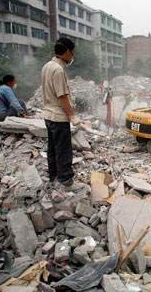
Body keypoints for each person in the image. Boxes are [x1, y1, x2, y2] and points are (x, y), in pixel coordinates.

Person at [41, 38, 85, 191]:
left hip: (48, 116)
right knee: (63, 151)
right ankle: (66, 181)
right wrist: (72, 115)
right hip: (59, 117)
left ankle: (53, 177)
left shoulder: (47, 66)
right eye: (72, 53)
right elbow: (62, 96)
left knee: (52, 149)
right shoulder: (58, 70)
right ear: (66, 52)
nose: (72, 56)